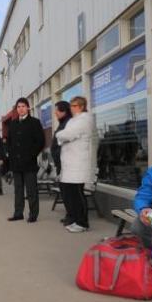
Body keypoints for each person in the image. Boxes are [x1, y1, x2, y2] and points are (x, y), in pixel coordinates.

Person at [56, 96, 94, 233]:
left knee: (77, 195)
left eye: (74, 106)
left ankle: (83, 223)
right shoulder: (73, 120)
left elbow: (67, 135)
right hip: (71, 164)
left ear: (82, 107)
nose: (71, 108)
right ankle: (76, 220)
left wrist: (60, 135)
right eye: (71, 105)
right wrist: (62, 135)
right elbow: (65, 135)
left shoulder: (84, 120)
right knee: (71, 195)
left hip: (78, 164)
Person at [7, 97, 45, 223]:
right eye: (18, 107)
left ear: (28, 108)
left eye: (23, 106)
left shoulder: (34, 122)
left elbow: (40, 142)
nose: (21, 109)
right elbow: (9, 142)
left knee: (31, 190)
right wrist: (11, 156)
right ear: (16, 109)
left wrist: (31, 155)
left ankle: (33, 214)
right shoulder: (12, 123)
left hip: (29, 163)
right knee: (18, 190)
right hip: (16, 164)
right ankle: (18, 213)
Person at [50, 101, 72, 176]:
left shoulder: (69, 124)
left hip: (67, 168)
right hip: (62, 166)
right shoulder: (63, 123)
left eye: (57, 110)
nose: (55, 113)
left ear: (64, 111)